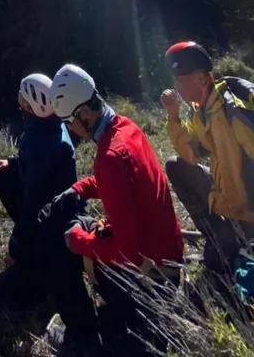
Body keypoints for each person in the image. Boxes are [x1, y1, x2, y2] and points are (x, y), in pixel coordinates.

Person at [42, 63, 184, 355]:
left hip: (152, 276)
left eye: (70, 122)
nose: (71, 129)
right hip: (167, 259)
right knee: (81, 231)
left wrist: (78, 241)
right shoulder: (124, 128)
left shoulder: (109, 156)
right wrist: (79, 188)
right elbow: (121, 181)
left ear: (83, 113)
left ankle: (82, 338)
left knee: (64, 242)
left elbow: (127, 252)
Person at [161, 40, 254, 270]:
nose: (177, 87)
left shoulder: (234, 112)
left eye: (179, 80)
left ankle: (241, 236)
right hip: (228, 199)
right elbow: (192, 154)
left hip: (252, 212)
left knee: (216, 262)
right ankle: (218, 233)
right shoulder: (200, 110)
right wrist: (173, 118)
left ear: (200, 78)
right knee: (176, 165)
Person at [0, 73, 77, 302]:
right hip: (60, 206)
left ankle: (35, 250)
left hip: (50, 217)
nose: (19, 102)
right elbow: (43, 166)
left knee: (13, 295)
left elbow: (33, 201)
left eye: (23, 100)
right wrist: (14, 162)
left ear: (31, 106)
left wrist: (15, 245)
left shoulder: (37, 140)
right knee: (2, 173)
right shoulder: (54, 125)